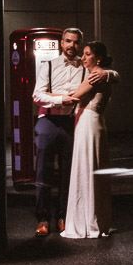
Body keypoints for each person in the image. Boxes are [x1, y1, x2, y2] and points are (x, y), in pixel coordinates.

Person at [31, 28, 116, 236]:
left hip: (72, 121)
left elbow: (107, 74)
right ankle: (43, 218)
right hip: (49, 120)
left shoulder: (86, 67)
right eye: (68, 41)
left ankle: (63, 216)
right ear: (61, 43)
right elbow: (37, 95)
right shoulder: (48, 65)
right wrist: (61, 99)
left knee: (70, 172)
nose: (72, 46)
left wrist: (109, 72)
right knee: (43, 171)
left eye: (76, 42)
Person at [61, 41, 114, 239]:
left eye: (87, 54)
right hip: (94, 122)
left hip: (87, 124)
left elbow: (75, 96)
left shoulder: (95, 75)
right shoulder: (103, 74)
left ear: (97, 58)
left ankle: (86, 221)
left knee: (86, 169)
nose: (83, 57)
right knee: (93, 170)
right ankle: (98, 219)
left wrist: (49, 94)